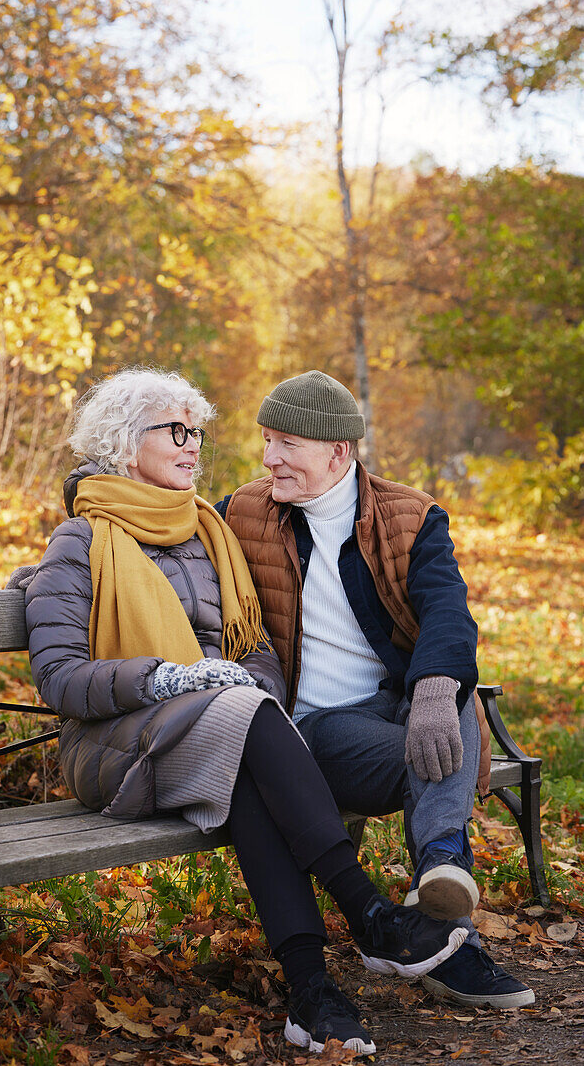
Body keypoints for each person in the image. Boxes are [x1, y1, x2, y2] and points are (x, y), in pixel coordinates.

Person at [20, 367, 470, 1057]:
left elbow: (255, 648)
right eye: (177, 430)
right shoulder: (80, 542)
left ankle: (311, 991)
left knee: (249, 743)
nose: (195, 445)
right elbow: (59, 679)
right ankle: (368, 912)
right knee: (247, 717)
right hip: (116, 748)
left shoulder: (208, 529)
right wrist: (171, 679)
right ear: (122, 442)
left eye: (197, 431)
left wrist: (233, 686)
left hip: (215, 735)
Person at [216, 369, 535, 1010]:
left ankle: (442, 877)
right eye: (266, 440)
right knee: (445, 734)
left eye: (286, 444)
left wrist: (438, 692)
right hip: (309, 733)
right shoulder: (243, 511)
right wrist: (69, 547)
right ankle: (452, 932)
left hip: (393, 709)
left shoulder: (409, 516)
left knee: (450, 706)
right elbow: (161, 543)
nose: (269, 458)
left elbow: (446, 610)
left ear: (339, 451)